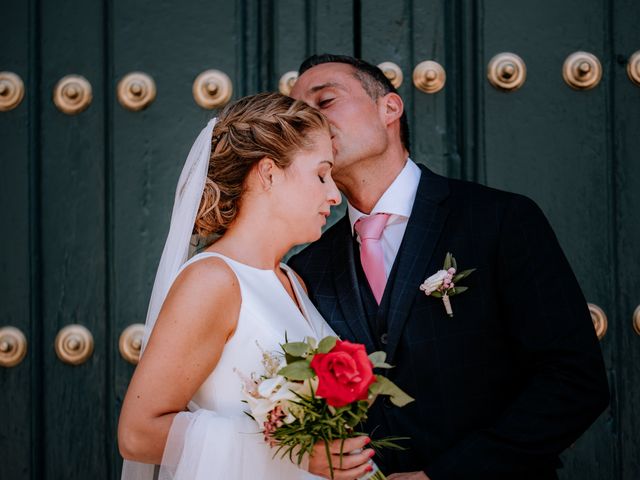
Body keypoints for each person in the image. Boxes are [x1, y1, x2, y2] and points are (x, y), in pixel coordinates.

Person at [288, 54, 610, 480]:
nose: (308, 122)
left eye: (324, 101)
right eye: (296, 118)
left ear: (390, 108)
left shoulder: (499, 219)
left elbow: (574, 381)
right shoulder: (306, 267)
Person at [117, 92, 374, 480]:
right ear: (269, 172)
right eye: (321, 174)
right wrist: (297, 454)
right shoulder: (213, 281)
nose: (334, 195)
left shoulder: (292, 281)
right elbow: (138, 434)